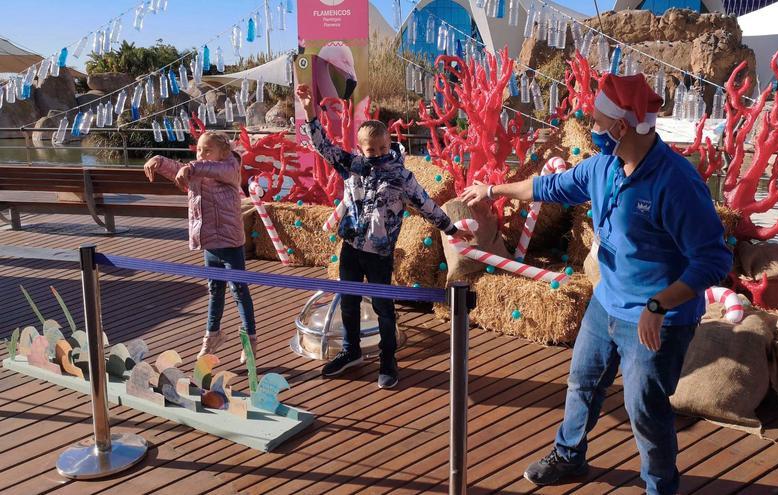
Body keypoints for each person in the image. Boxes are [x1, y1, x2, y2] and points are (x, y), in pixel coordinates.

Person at [461, 73, 733, 494]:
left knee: (644, 407)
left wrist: (659, 305)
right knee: (582, 383)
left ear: (622, 127)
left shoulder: (677, 183)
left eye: (598, 121)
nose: (592, 128)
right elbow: (548, 186)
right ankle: (569, 456)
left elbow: (714, 260)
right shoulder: (601, 165)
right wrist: (492, 188)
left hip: (657, 317)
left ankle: (660, 486)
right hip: (606, 301)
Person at [295, 84, 473, 389]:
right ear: (362, 149)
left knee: (383, 307)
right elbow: (321, 145)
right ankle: (351, 351)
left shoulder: (401, 176)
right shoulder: (352, 167)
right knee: (347, 301)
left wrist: (452, 229)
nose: (376, 154)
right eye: (370, 150)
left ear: (389, 144)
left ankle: (387, 359)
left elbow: (426, 204)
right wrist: (309, 109)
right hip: (351, 245)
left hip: (379, 253)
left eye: (381, 148)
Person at [144, 131, 257, 364]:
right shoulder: (197, 171)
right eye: (199, 150)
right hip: (209, 243)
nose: (202, 154)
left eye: (207, 150)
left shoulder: (229, 167)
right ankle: (212, 335)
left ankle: (250, 339)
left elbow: (208, 170)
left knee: (239, 290)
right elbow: (180, 169)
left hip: (229, 242)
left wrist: (192, 167)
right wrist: (159, 160)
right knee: (215, 291)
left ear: (223, 152)